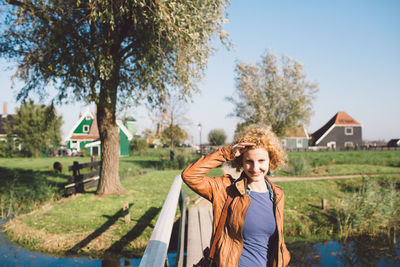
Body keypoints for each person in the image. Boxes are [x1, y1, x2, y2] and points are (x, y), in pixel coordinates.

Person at [182, 126, 290, 267]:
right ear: (241, 162)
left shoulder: (277, 195)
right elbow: (190, 175)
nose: (255, 168)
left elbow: (275, 242)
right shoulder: (226, 190)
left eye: (261, 161)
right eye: (249, 161)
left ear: (271, 159)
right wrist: (227, 153)